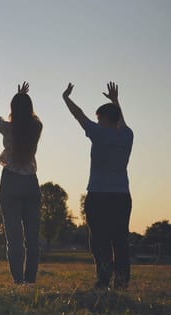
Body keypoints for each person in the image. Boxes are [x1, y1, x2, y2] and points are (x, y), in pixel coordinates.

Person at [62, 82, 133, 290]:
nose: (96, 121)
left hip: (99, 195)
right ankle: (121, 280)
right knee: (120, 239)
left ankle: (103, 278)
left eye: (99, 118)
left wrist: (66, 97)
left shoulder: (98, 133)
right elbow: (122, 122)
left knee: (100, 241)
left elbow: (78, 114)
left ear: (104, 119)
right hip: (121, 195)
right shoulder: (128, 136)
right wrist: (115, 101)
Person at [0, 79, 43, 285]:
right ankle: (30, 281)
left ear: (12, 109)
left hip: (10, 180)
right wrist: (22, 98)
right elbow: (26, 120)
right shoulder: (37, 127)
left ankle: (18, 281)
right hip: (30, 181)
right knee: (32, 238)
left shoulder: (8, 129)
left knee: (14, 237)